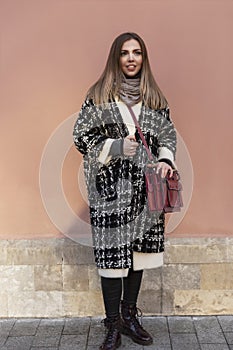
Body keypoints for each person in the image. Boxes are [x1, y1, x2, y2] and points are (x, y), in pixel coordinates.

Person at [73, 32, 177, 350]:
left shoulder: (156, 99)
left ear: (143, 58)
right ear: (115, 58)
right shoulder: (98, 97)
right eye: (124, 53)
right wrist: (116, 146)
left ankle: (129, 316)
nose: (131, 58)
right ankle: (112, 324)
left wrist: (164, 160)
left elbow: (167, 137)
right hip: (109, 193)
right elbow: (81, 138)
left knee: (138, 257)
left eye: (137, 52)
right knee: (111, 260)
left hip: (146, 191)